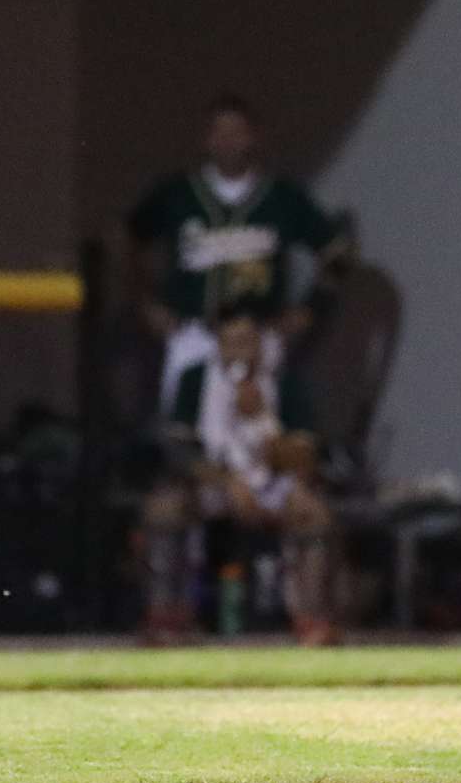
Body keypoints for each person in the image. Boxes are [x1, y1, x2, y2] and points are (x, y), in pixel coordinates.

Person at [127, 95, 346, 413]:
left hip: (259, 337)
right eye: (218, 132)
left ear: (253, 136)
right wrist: (146, 303)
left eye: (236, 132)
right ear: (205, 139)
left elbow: (337, 251)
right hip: (194, 333)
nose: (227, 141)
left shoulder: (281, 197)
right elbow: (124, 238)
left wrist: (311, 308)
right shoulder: (178, 194)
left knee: (257, 431)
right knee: (185, 428)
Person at [138, 309, 334, 645]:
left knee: (314, 514)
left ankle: (311, 618)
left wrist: (264, 420)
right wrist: (227, 481)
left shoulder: (282, 380)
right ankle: (167, 616)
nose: (239, 352)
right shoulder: (195, 379)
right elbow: (178, 451)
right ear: (218, 345)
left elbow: (306, 454)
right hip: (212, 483)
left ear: (260, 345)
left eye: (247, 342)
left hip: (271, 485)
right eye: (231, 343)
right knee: (163, 509)